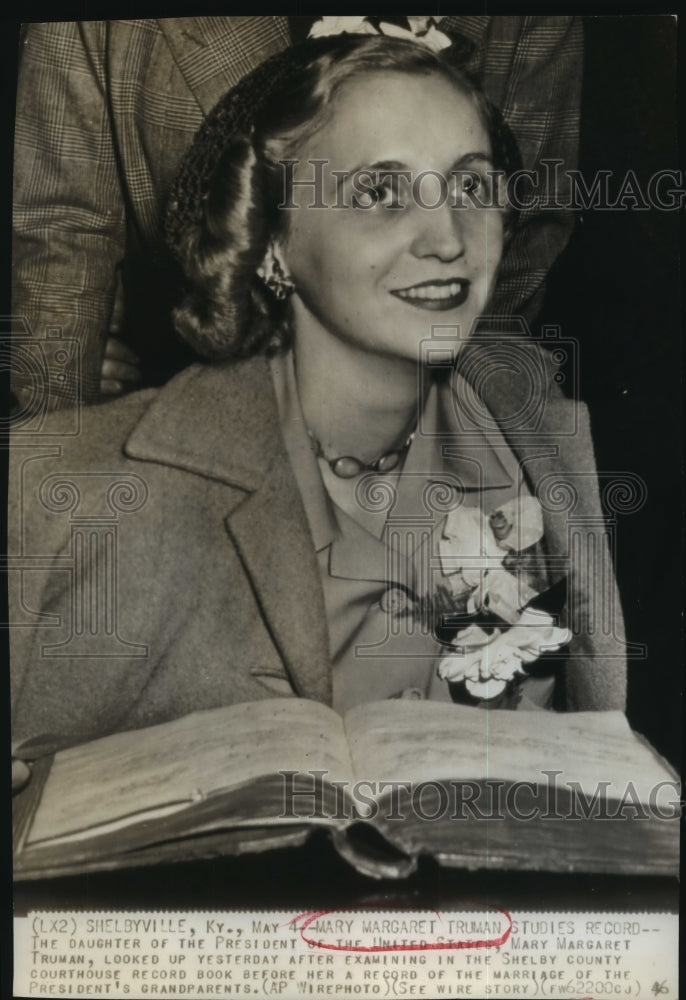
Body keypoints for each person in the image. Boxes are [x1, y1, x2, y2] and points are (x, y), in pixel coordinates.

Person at [9, 31, 625, 763]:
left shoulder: (539, 446)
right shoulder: (79, 496)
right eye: (380, 191)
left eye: (472, 186)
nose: (448, 239)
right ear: (272, 243)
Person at [10, 15, 583, 410]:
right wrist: (62, 416)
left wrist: (456, 422)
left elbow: (527, 225)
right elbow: (61, 229)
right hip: (181, 387)